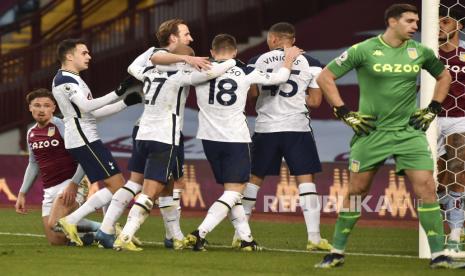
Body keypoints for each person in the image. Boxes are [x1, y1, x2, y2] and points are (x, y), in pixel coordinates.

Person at [313, 4, 463, 269]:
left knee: (427, 186)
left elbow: (444, 76)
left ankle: (439, 255)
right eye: (410, 21)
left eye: (417, 20)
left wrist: (433, 108)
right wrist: (344, 112)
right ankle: (336, 251)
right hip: (371, 132)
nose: (416, 26)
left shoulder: (420, 51)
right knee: (357, 190)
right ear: (392, 22)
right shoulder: (364, 49)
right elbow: (326, 77)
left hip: (408, 132)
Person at [113, 44, 237, 251]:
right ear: (182, 59)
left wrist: (151, 51)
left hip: (143, 135)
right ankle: (126, 236)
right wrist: (232, 60)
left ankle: (175, 236)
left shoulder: (148, 72)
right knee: (149, 192)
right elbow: (212, 72)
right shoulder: (181, 75)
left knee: (168, 186)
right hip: (164, 138)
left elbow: (133, 66)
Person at [184, 34, 302, 251]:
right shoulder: (246, 71)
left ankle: (246, 239)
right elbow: (280, 78)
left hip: (209, 138)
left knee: (232, 192)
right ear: (236, 52)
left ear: (212, 51)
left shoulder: (201, 68)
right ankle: (199, 233)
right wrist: (289, 59)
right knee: (236, 190)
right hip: (235, 138)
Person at [240, 22, 330, 251]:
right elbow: (316, 102)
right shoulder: (312, 63)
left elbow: (252, 96)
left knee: (254, 180)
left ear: (272, 39)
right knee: (305, 181)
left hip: (266, 128)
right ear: (292, 39)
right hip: (296, 128)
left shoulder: (256, 61)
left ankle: (240, 234)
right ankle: (314, 238)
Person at [51, 38, 142, 247]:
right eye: (84, 53)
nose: (89, 56)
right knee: (118, 186)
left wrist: (123, 103)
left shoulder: (75, 79)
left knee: (115, 185)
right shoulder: (65, 80)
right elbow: (86, 107)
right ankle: (87, 225)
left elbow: (92, 114)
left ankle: (104, 229)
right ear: (69, 56)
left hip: (86, 137)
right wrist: (117, 93)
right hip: (83, 138)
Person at [15, 88, 100, 245]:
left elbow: (84, 157)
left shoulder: (63, 126)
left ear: (54, 108)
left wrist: (74, 184)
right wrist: (22, 193)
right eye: (37, 105)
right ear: (30, 108)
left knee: (54, 224)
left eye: (47, 105)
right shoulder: (31, 133)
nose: (42, 110)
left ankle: (105, 229)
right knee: (57, 241)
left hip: (71, 183)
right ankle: (89, 236)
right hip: (49, 188)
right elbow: (33, 164)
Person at [437, 6, 465, 252]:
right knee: (436, 180)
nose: (440, 26)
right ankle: (450, 227)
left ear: (459, 26)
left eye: (445, 21)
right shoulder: (426, 54)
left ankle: (455, 235)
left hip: (460, 118)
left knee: (458, 169)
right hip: (431, 119)